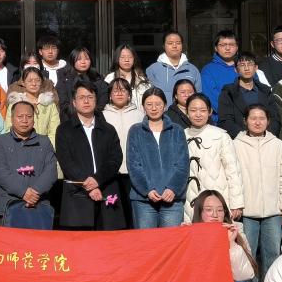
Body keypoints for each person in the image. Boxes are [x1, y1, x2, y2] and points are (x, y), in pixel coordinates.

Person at [234, 104, 282, 282]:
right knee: (248, 253)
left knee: (272, 253)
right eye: (253, 118)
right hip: (247, 211)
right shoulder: (236, 144)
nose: (257, 122)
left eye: (262, 118)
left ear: (268, 121)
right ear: (245, 121)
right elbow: (233, 176)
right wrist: (236, 204)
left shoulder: (277, 145)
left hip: (273, 211)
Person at [55, 81, 126, 231]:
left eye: (90, 97)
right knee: (80, 243)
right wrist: (89, 185)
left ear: (96, 100)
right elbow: (67, 163)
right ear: (74, 102)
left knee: (109, 242)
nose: (86, 101)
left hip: (106, 191)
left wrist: (97, 179)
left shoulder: (107, 129)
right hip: (78, 195)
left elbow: (115, 159)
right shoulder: (64, 130)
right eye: (81, 97)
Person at [191, 190, 258, 282]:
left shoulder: (236, 232)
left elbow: (246, 275)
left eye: (220, 210)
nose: (215, 215)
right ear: (200, 213)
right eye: (209, 210)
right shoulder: (190, 233)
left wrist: (232, 244)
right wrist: (182, 238)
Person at [126, 87, 189, 228]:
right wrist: (147, 189)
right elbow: (134, 165)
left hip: (172, 199)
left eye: (158, 104)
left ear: (165, 106)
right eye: (149, 104)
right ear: (143, 107)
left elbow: (183, 164)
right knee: (147, 241)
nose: (154, 108)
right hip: (143, 200)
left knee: (171, 240)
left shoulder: (177, 130)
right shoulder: (135, 131)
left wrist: (173, 188)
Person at [0, 100, 59, 228]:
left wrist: (34, 193)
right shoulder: (0, 141)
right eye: (20, 116)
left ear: (34, 119)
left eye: (29, 116)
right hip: (9, 205)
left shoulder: (44, 141)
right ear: (12, 118)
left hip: (39, 204)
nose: (25, 120)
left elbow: (51, 171)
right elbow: (1, 173)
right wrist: (23, 192)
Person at [182, 94, 244, 223]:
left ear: (210, 112)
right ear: (186, 112)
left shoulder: (221, 135)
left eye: (203, 110)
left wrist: (236, 203)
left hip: (218, 198)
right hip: (190, 198)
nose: (198, 114)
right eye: (193, 110)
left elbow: (233, 171)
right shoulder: (180, 135)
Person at [102, 78, 144, 224]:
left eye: (123, 90)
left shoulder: (139, 115)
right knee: (114, 212)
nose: (119, 94)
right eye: (115, 90)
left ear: (129, 94)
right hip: (111, 172)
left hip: (133, 171)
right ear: (109, 95)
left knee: (132, 211)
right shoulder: (102, 116)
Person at [218, 51, 278, 138]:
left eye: (250, 64)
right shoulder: (228, 92)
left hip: (265, 139)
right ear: (236, 69)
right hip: (239, 140)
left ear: (256, 67)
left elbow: (274, 118)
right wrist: (246, 137)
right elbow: (225, 120)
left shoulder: (266, 91)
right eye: (242, 65)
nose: (246, 68)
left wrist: (266, 136)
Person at [5, 67, 61, 149]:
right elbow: (8, 128)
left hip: (44, 148)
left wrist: (47, 148)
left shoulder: (49, 104)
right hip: (19, 148)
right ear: (23, 83)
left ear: (42, 82)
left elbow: (54, 131)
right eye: (30, 80)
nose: (34, 84)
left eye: (37, 80)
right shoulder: (15, 103)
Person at [146, 31, 201, 105]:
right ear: (163, 46)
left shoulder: (192, 69)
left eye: (178, 43)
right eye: (170, 43)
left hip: (186, 111)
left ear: (182, 45)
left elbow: (198, 96)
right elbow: (148, 96)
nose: (174, 46)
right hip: (163, 112)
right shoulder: (153, 69)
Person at [55, 47, 108, 122]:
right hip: (70, 120)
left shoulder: (98, 80)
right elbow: (63, 104)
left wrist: (88, 113)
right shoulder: (64, 80)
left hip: (93, 120)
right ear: (72, 61)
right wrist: (80, 114)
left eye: (86, 59)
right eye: (79, 59)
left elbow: (102, 103)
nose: (83, 62)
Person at [200, 30, 240, 122]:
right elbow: (210, 98)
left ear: (237, 47)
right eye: (223, 45)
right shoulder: (208, 70)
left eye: (231, 45)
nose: (227, 48)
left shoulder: (245, 67)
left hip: (246, 118)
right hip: (220, 120)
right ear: (216, 48)